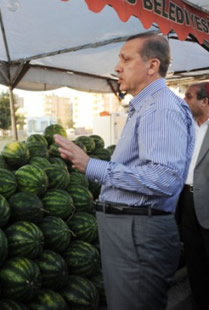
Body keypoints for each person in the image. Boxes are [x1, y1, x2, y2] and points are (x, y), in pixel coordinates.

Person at [54, 33, 194, 310]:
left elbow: (164, 178)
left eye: (126, 59)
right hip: (132, 229)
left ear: (152, 65)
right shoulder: (147, 107)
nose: (117, 67)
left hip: (137, 230)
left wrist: (90, 164)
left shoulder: (160, 108)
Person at [176, 82, 209, 310]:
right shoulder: (186, 128)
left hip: (207, 204)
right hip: (186, 202)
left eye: (189, 97)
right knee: (194, 261)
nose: (184, 101)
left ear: (205, 102)